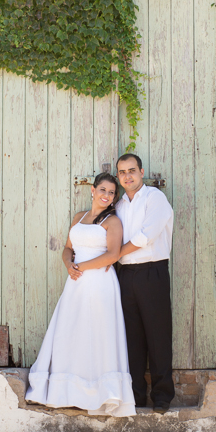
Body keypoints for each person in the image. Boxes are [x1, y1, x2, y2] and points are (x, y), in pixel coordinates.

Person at [25, 172, 137, 417]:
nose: (106, 195)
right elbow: (68, 248)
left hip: (99, 284)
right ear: (93, 191)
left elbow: (113, 255)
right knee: (71, 332)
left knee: (98, 335)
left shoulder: (112, 221)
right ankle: (67, 392)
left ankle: (100, 393)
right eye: (103, 190)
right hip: (75, 283)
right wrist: (69, 265)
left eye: (111, 192)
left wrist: (81, 267)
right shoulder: (79, 218)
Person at [114, 153, 175, 413]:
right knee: (132, 338)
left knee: (158, 336)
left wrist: (114, 255)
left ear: (141, 172)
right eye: (122, 172)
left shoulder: (155, 198)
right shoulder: (117, 206)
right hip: (125, 275)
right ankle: (136, 395)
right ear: (118, 177)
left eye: (132, 170)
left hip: (152, 273)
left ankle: (162, 397)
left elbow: (144, 237)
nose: (127, 176)